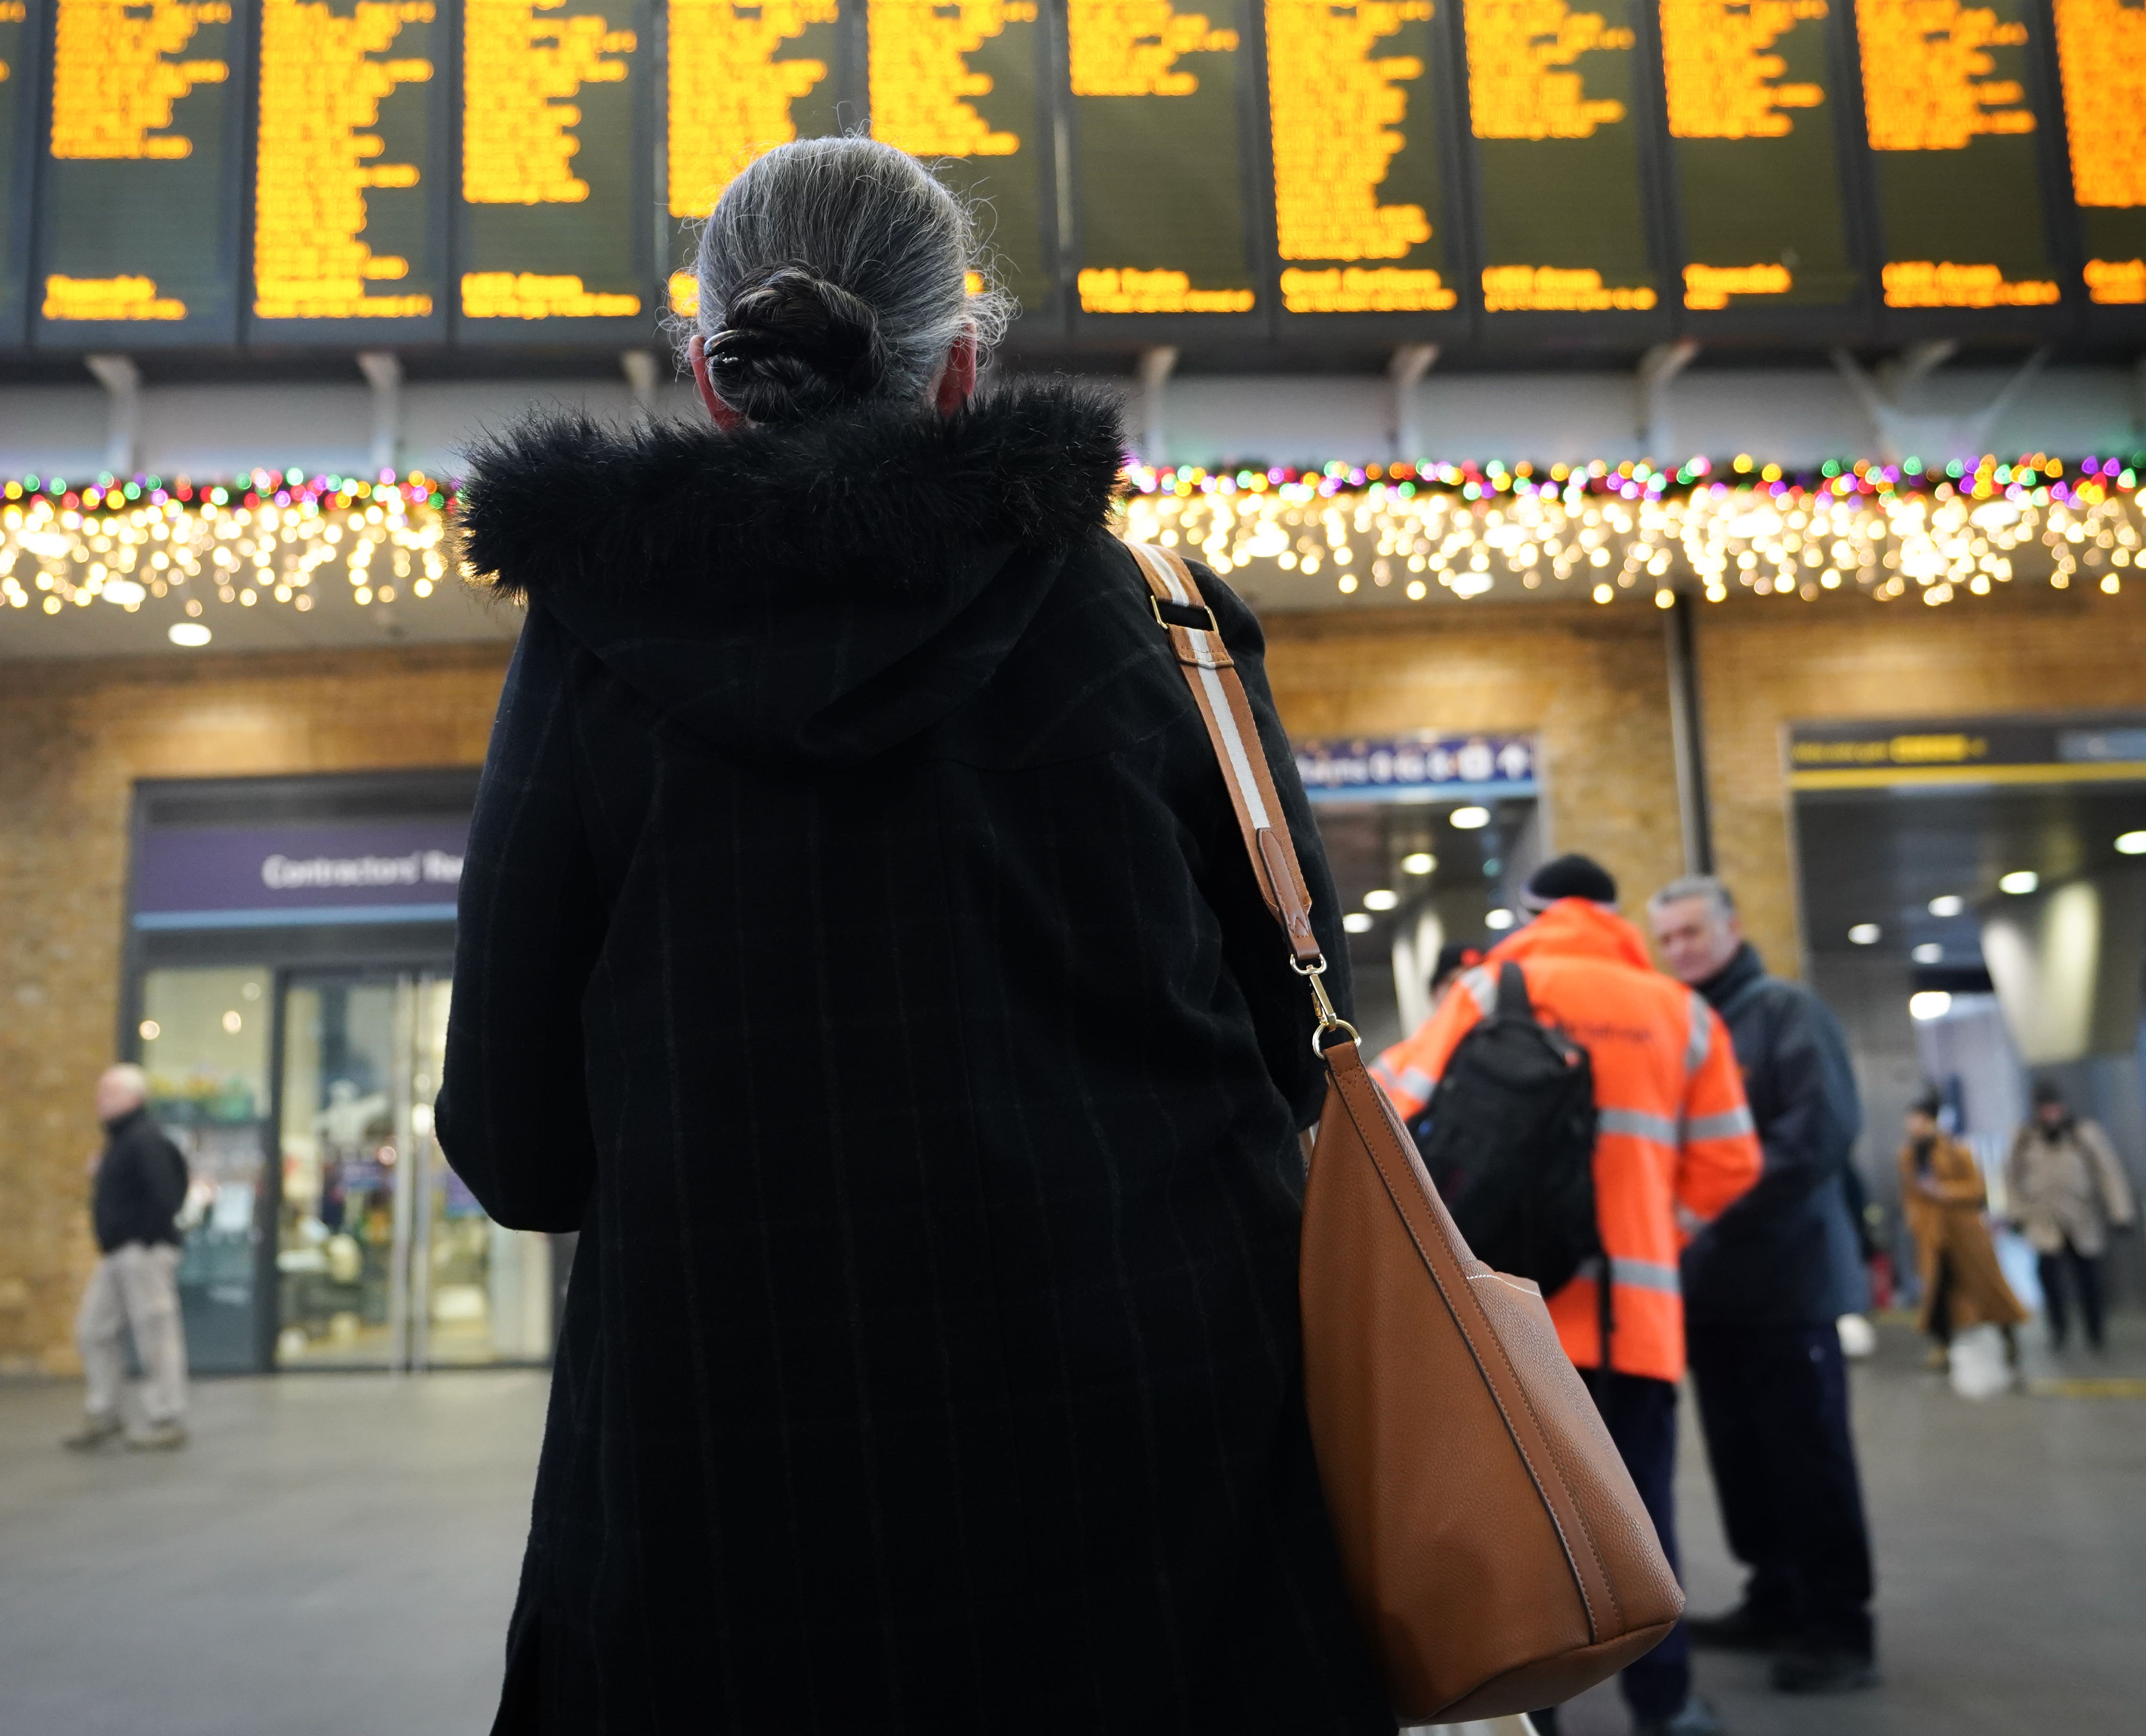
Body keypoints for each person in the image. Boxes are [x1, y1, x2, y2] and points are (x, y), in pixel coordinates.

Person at [444, 138, 1387, 1730]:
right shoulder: (1151, 622)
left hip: (718, 1491)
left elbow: (514, 1143)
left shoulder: (591, 655)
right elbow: (1299, 1043)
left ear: (721, 379)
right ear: (961, 364)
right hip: (1160, 1483)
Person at [1377, 854, 1762, 1736]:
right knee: (1640, 1517)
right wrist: (1653, 1231)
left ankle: (1534, 1713)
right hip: (1638, 1319)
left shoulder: (1487, 988)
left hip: (1511, 1317)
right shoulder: (1682, 1012)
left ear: (1532, 909)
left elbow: (1392, 1104)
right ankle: (1664, 1705)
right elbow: (1731, 1160)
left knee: (1525, 1529)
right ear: (1618, 915)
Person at [1644, 876, 1879, 1698]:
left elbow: (1816, 1135)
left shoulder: (1784, 1012)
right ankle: (1773, 1597)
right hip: (1708, 1291)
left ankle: (1838, 1627)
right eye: (1666, 938)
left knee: (1806, 1460)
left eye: (1690, 933)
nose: (1679, 949)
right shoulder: (1679, 1024)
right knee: (1744, 1461)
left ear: (1731, 928)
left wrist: (1703, 1212)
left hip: (1789, 1287)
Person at [64, 1064, 190, 1451]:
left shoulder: (145, 1140)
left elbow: (167, 1193)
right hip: (117, 1252)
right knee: (93, 1329)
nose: (100, 1100)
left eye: (110, 1093)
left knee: (155, 1333)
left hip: (142, 1250)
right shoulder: (121, 1142)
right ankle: (104, 1410)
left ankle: (166, 1416)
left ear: (134, 1098)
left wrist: (147, 1237)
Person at [2005, 1079, 2134, 1353]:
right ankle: (2058, 1329)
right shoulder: (2025, 1137)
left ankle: (2095, 1332)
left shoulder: (2083, 1134)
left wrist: (2120, 1212)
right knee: (2048, 1277)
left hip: (2081, 1219)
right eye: (2045, 1109)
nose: (2051, 1114)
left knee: (2088, 1278)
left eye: (2054, 1108)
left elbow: (2108, 1172)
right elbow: (2011, 1178)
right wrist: (2015, 1214)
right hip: (2044, 1221)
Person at [1898, 1093, 2026, 1367]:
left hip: (1965, 1231)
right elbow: (1910, 1192)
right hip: (1934, 1234)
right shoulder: (1909, 1155)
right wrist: (1915, 1217)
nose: (1912, 1126)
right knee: (1938, 1291)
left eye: (1917, 1120)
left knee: (1988, 1286)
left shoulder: (1956, 1149)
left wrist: (1945, 1192)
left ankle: (2008, 1335)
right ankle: (1944, 1346)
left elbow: (1977, 1188)